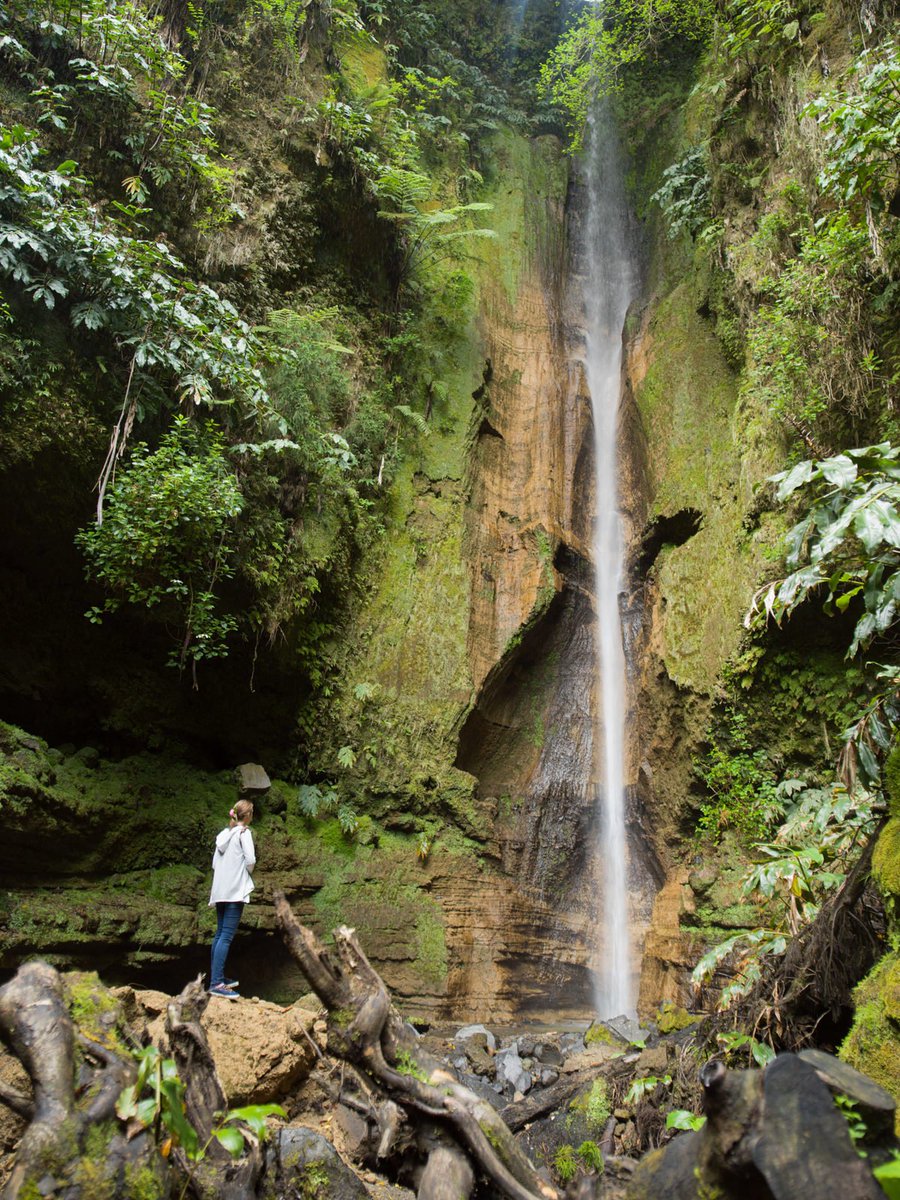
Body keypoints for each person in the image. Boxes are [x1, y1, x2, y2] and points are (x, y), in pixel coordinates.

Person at [208, 798, 256, 999]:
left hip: (220, 891)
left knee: (220, 934)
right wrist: (244, 873)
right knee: (226, 936)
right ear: (248, 815)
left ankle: (216, 978)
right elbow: (251, 860)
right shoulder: (244, 834)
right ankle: (216, 983)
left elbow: (214, 864)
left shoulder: (224, 835)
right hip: (235, 891)